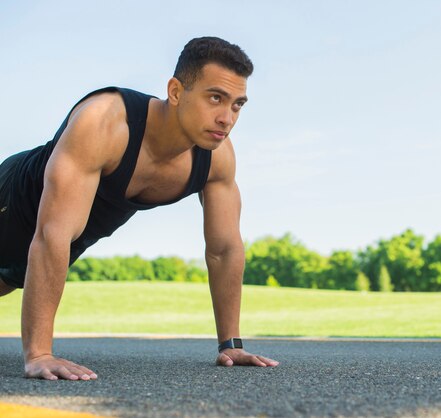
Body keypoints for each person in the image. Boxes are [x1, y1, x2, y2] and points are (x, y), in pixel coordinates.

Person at [0, 36, 279, 381]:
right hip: (12, 199)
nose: (227, 118)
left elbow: (224, 249)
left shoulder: (217, 159)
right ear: (176, 91)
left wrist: (230, 344)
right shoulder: (104, 121)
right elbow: (51, 233)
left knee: (5, 282)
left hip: (66, 236)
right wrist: (39, 353)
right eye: (215, 98)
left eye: (237, 105)